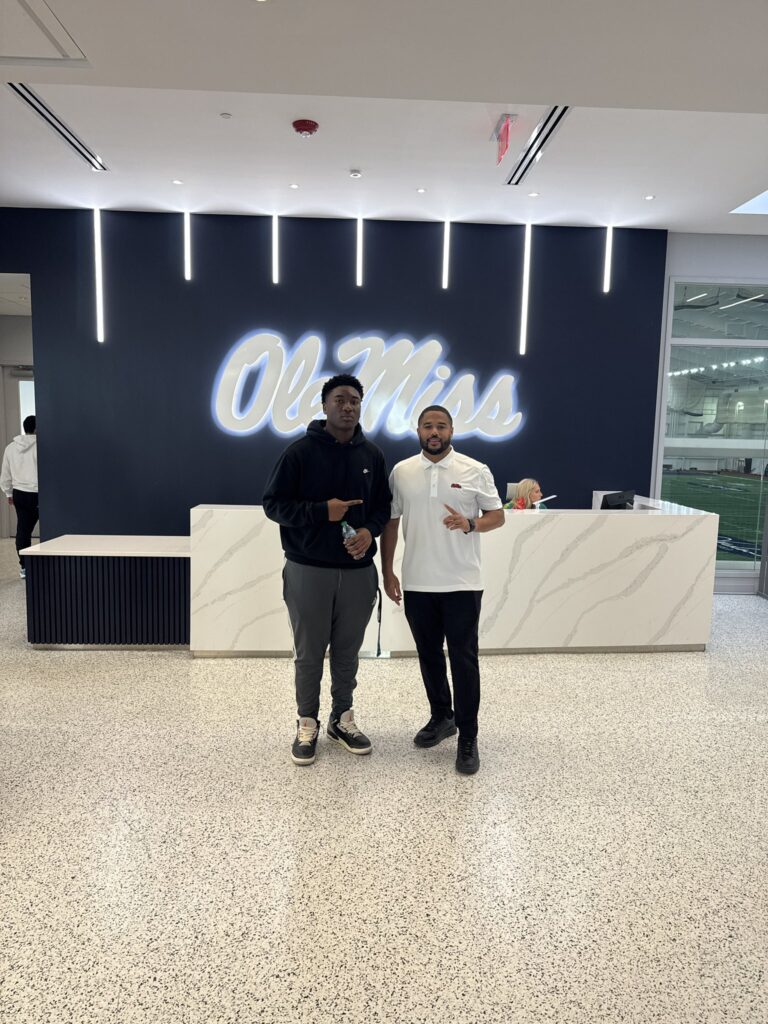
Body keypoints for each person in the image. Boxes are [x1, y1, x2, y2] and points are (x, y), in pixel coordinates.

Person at [263, 373, 392, 767]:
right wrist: (323, 511)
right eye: (340, 399)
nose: (348, 406)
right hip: (308, 569)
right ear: (324, 405)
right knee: (309, 653)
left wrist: (369, 531)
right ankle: (307, 721)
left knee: (348, 653)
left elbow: (383, 508)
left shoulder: (371, 455)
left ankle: (342, 718)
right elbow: (273, 505)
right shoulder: (298, 453)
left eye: (354, 400)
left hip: (357, 572)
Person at [380, 405, 504, 775]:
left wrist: (469, 523)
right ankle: (441, 717)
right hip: (418, 582)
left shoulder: (475, 470)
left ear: (451, 430)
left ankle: (468, 736)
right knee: (429, 656)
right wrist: (387, 570)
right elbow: (391, 522)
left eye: (441, 426)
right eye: (427, 426)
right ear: (417, 431)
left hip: (462, 582)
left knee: (463, 660)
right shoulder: (402, 472)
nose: (434, 432)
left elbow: (496, 516)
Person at [1, 415, 38, 580]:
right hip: (40, 493)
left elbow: (5, 474)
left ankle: (24, 567)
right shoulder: (42, 445)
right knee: (52, 527)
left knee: (23, 530)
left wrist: (8, 493)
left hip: (20, 493)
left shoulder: (10, 448)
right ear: (37, 428)